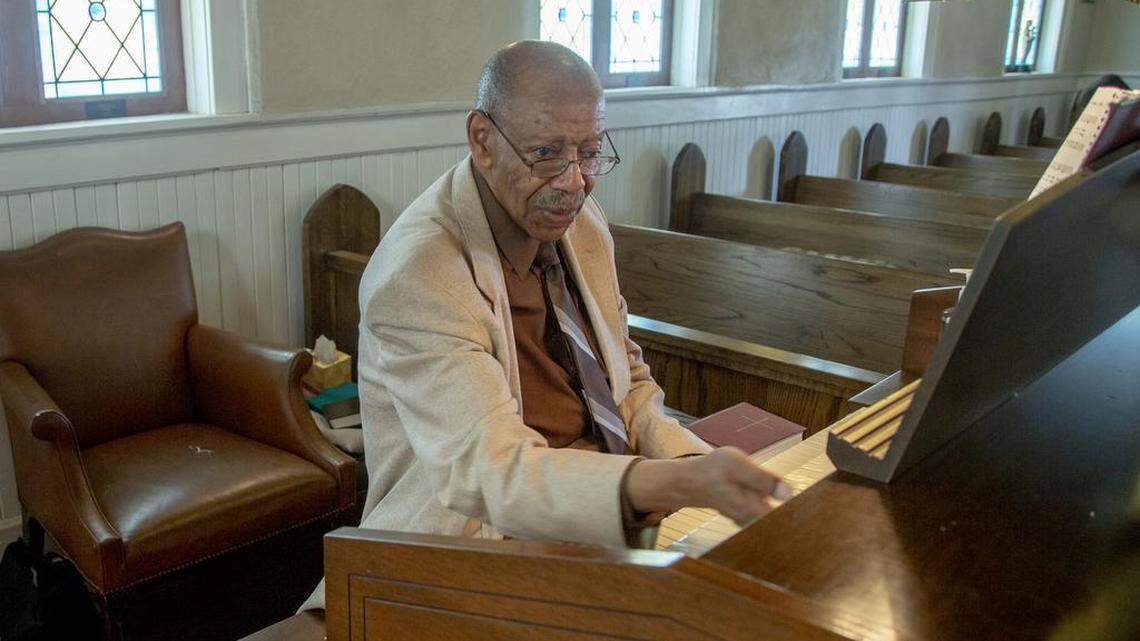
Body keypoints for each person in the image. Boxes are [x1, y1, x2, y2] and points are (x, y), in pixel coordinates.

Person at [300, 41, 786, 610]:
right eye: (547, 153)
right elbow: (490, 473)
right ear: (482, 139)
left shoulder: (579, 223)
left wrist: (691, 462)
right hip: (474, 544)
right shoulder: (420, 272)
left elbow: (623, 377)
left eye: (588, 151)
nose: (575, 181)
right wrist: (676, 485)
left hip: (606, 505)